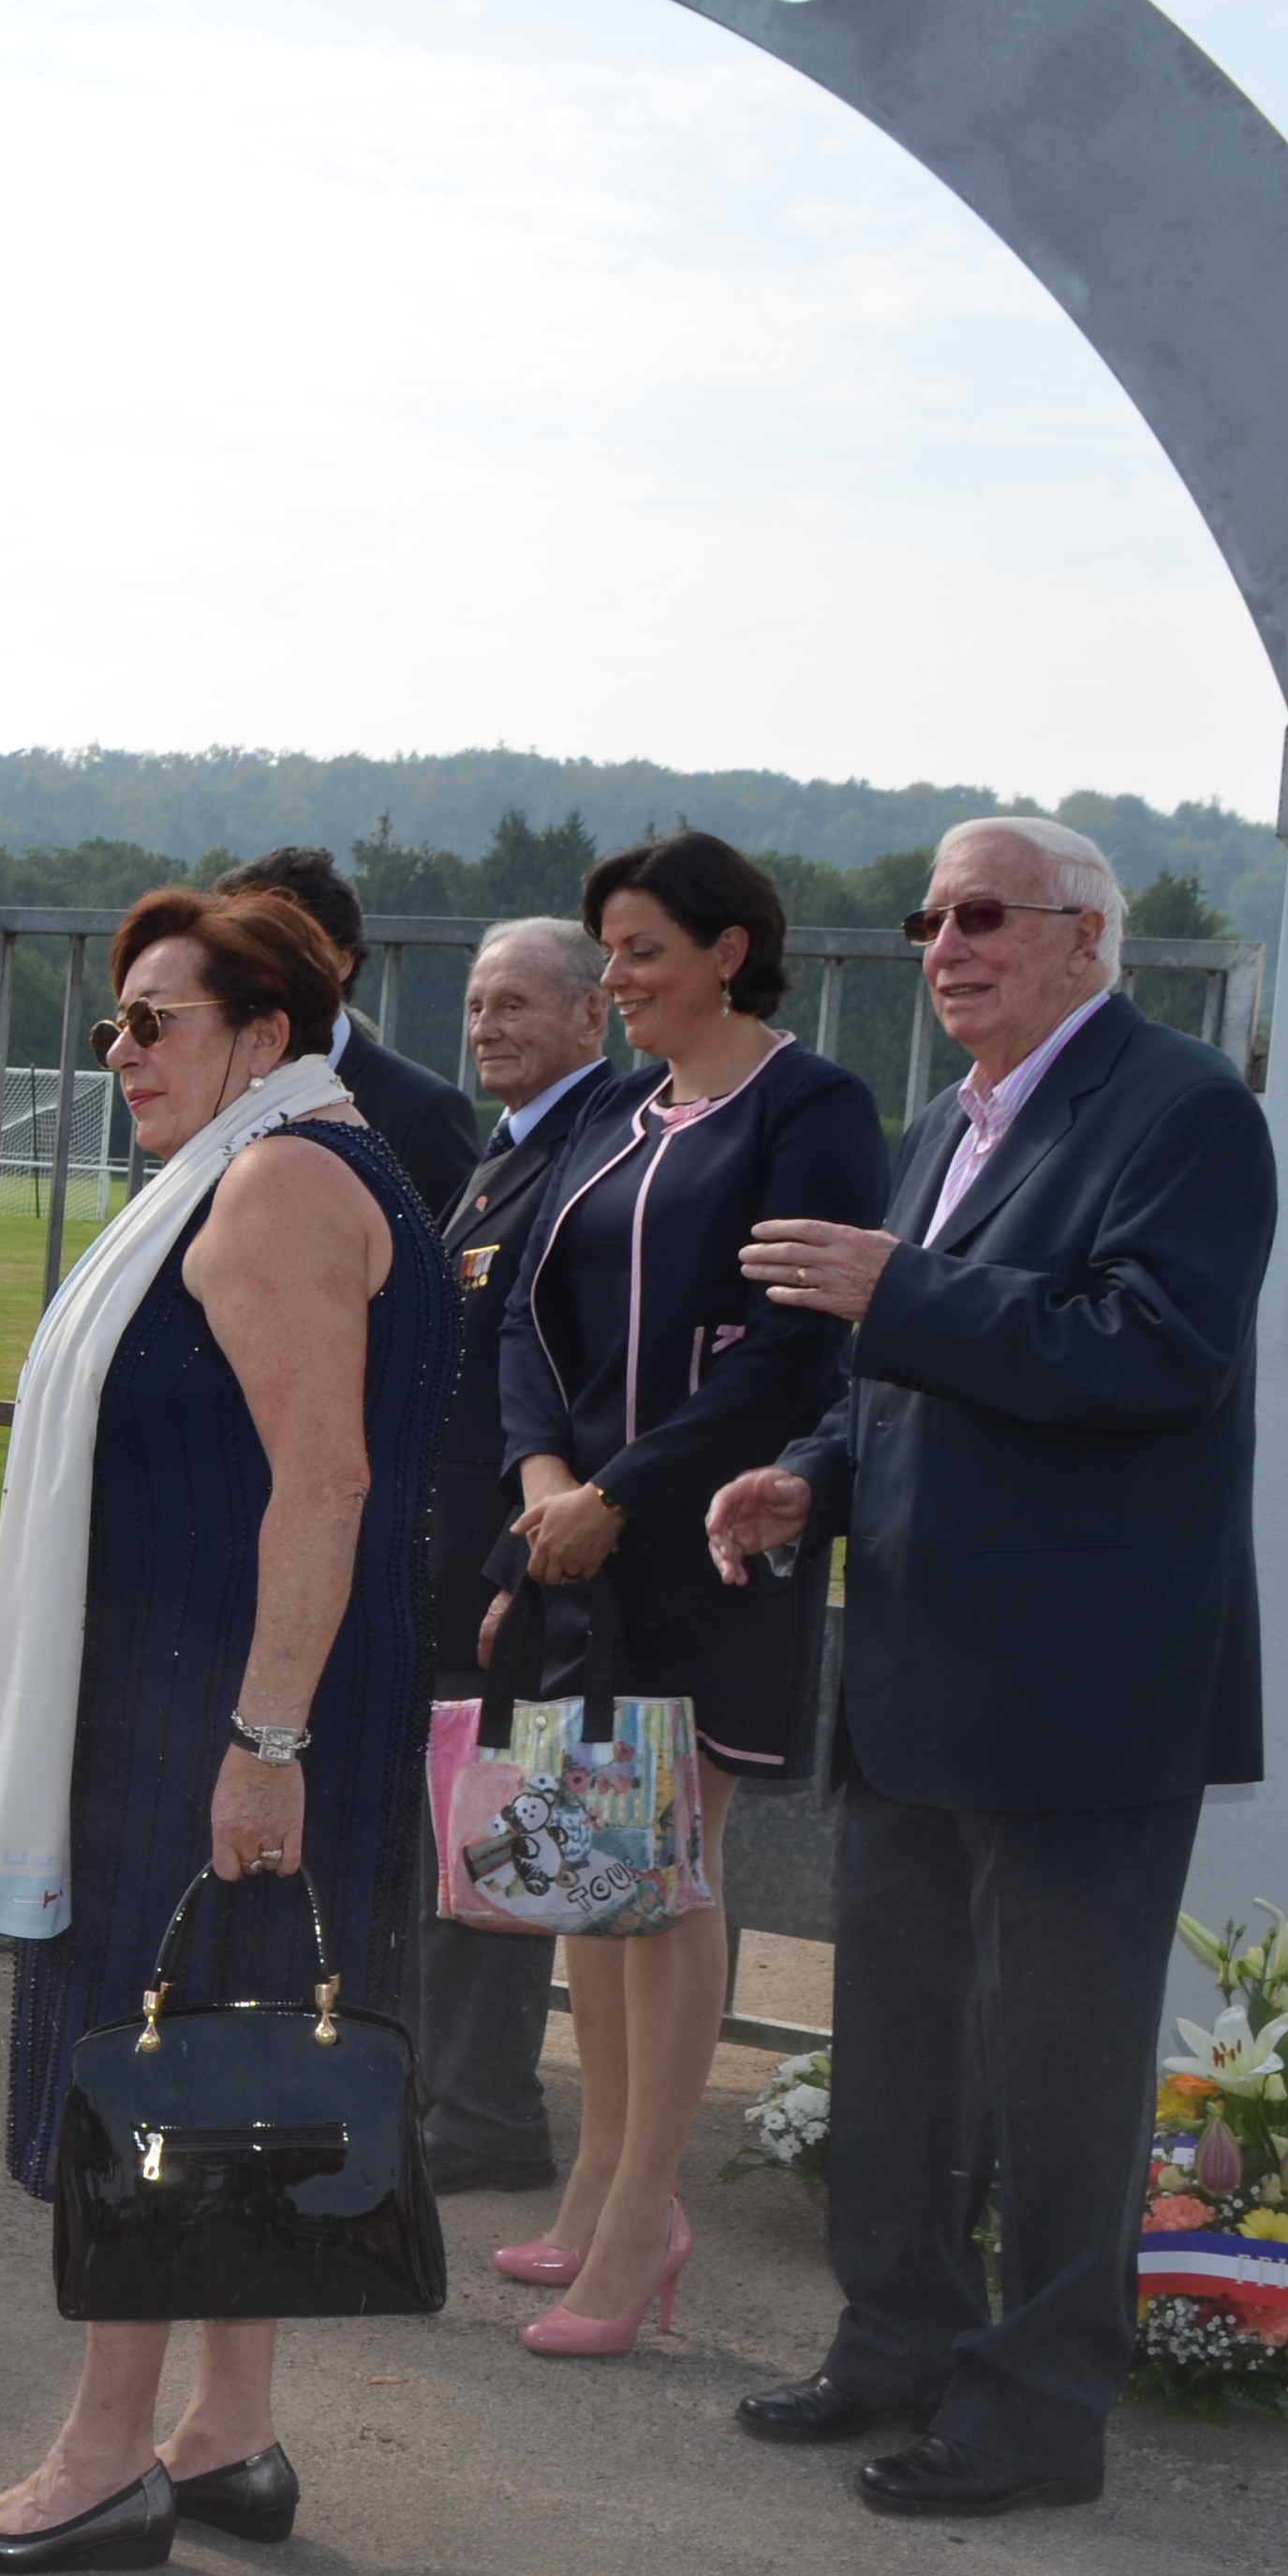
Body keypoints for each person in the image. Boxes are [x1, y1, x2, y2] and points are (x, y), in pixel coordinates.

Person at [707, 815, 1275, 2517]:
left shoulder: (1180, 1111)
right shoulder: (944, 1121)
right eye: (926, 916)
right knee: (891, 2042)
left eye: (982, 915)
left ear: (1086, 936)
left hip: (1081, 1693)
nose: (942, 943)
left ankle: (1034, 2414)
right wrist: (810, 1473)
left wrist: (905, 1289)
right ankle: (891, 2340)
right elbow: (895, 1374)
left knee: (1060, 2074)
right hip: (913, 1668)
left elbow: (1151, 1352)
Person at [0, 884, 452, 2572]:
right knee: (241, 2056)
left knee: (164, 2057)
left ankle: (99, 2458)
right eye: (113, 1022)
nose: (120, 1051)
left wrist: (262, 1734)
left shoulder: (280, 1177)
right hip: (241, 1692)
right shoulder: (296, 1159)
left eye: (156, 1019)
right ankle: (226, 2428)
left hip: (218, 1706)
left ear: (264, 1034)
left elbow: (329, 1479)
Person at [486, 832, 886, 2354]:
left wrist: (617, 1496)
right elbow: (527, 1322)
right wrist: (540, 1491)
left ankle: (648, 2206)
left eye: (642, 948)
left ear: (731, 949)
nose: (615, 978)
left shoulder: (812, 1109)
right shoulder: (611, 1109)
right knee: (588, 1872)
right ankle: (595, 2180)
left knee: (667, 1875)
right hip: (572, 1541)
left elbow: (793, 1359)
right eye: (606, 948)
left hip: (702, 1540)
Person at [414, 916, 636, 2194]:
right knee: (464, 1839)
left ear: (587, 1015)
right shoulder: (507, 1151)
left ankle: (487, 2113)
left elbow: (562, 1385)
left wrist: (515, 1566)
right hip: (464, 1552)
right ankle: (460, 2097)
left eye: (517, 1006)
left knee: (502, 1843)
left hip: (515, 1562)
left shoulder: (585, 1151)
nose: (489, 1026)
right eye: (481, 1006)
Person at [217, 846, 477, 1220]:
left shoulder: (423, 1113)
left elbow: (442, 1269)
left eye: (274, 950)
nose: (249, 972)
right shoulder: (212, 1084)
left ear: (340, 961)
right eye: (235, 952)